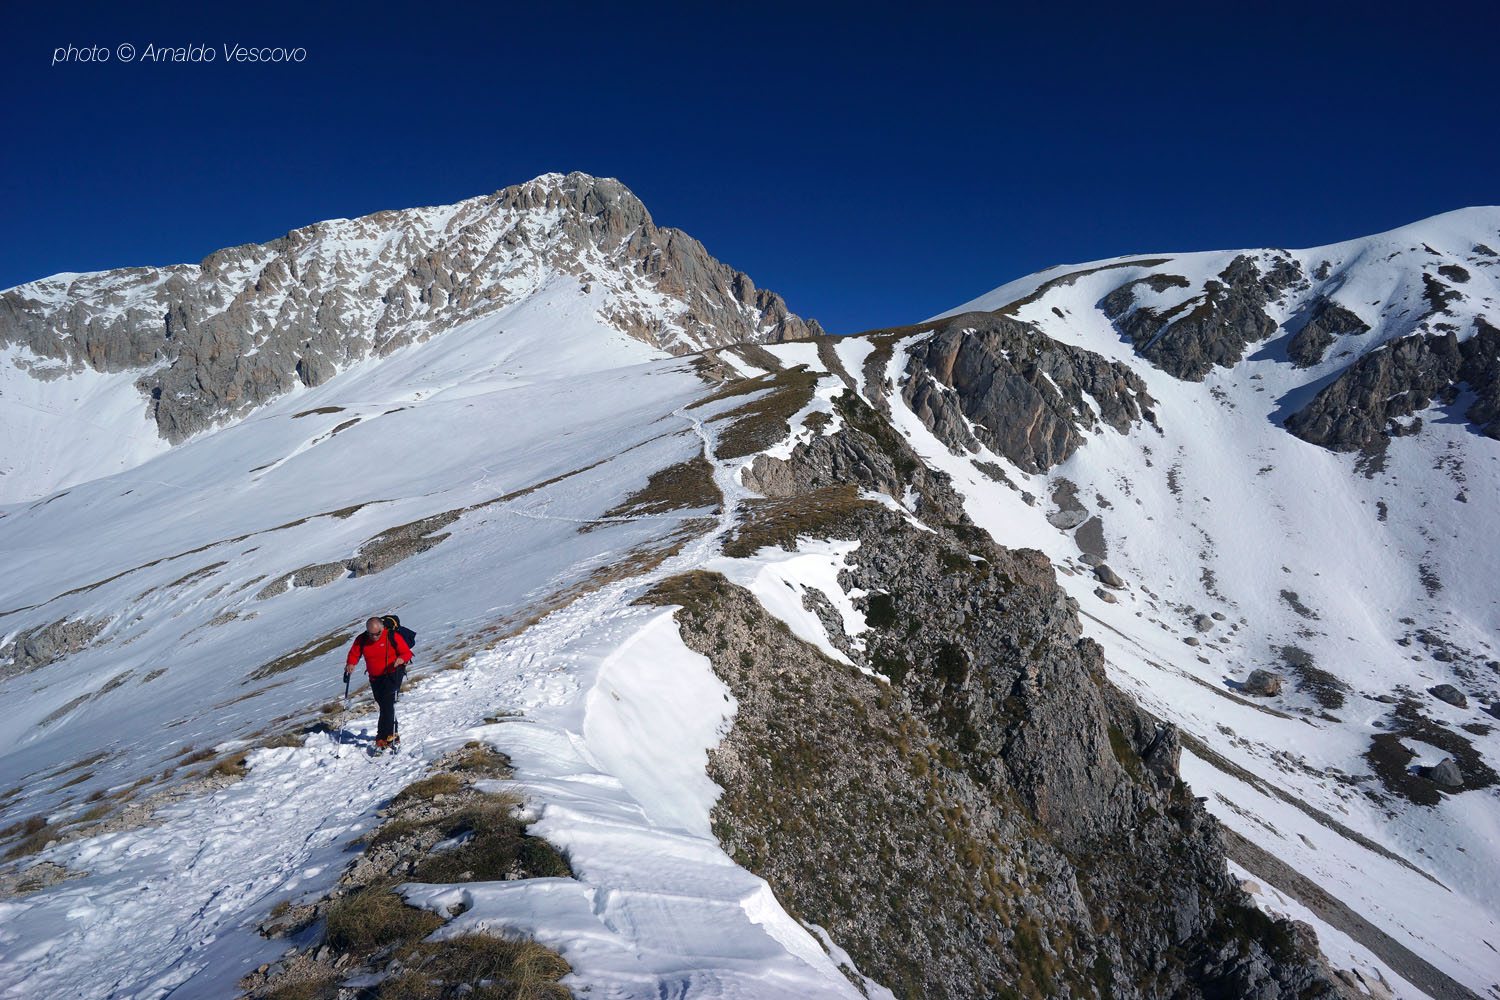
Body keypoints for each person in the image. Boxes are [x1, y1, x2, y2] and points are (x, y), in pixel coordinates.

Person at [345, 616, 412, 752]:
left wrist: (401, 659)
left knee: (387, 703)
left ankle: (383, 736)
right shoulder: (362, 639)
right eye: (371, 634)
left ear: (382, 629)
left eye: (377, 634)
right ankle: (393, 732)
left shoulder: (392, 636)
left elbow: (407, 653)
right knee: (383, 703)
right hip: (375, 677)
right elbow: (354, 653)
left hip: (393, 673)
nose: (374, 637)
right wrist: (351, 663)